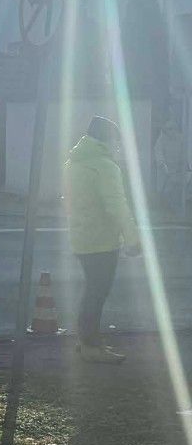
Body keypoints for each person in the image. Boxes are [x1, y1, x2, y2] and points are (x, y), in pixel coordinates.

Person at [64, 116, 141, 364]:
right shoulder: (105, 166)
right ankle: (90, 346)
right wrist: (132, 238)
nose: (118, 146)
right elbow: (116, 206)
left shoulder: (73, 162)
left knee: (91, 290)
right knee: (97, 292)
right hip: (102, 240)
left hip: (81, 237)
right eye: (116, 140)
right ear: (107, 139)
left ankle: (86, 342)